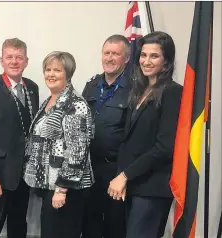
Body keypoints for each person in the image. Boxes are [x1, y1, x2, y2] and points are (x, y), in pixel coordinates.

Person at [107, 31, 183, 238]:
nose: (146, 61)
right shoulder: (139, 90)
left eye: (154, 56)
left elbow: (164, 147)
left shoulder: (173, 92)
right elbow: (129, 141)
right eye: (143, 55)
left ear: (166, 60)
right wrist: (122, 177)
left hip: (152, 188)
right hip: (132, 184)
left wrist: (125, 175)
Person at [23, 51, 94, 238]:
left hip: (67, 189)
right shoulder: (51, 100)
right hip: (50, 186)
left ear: (68, 74)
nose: (51, 74)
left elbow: (77, 151)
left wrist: (62, 189)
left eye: (57, 70)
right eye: (48, 69)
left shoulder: (75, 104)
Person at [0, 38, 39, 238]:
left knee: (18, 223)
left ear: (26, 61)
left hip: (24, 173)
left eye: (19, 57)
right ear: (1, 60)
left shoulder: (32, 88)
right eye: (9, 57)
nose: (14, 61)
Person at [81, 34, 132, 238]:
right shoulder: (91, 85)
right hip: (89, 167)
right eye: (106, 53)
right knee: (89, 224)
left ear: (126, 59)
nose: (109, 58)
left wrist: (124, 174)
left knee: (115, 227)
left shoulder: (134, 89)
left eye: (116, 54)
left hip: (116, 169)